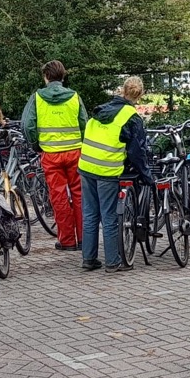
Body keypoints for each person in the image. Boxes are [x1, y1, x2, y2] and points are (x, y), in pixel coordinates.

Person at [78, 76, 152, 272]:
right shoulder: (131, 117)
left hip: (86, 166)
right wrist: (146, 175)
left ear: (122, 90)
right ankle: (112, 261)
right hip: (107, 170)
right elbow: (137, 152)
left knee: (90, 214)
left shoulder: (100, 110)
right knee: (110, 216)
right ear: (140, 95)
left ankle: (89, 258)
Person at [21, 60, 87, 251]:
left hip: (50, 154)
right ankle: (84, 239)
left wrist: (36, 146)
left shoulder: (37, 98)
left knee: (58, 197)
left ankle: (67, 241)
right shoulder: (74, 96)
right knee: (80, 195)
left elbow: (28, 125)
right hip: (75, 152)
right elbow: (84, 123)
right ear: (63, 76)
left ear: (46, 77)